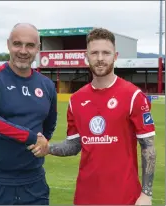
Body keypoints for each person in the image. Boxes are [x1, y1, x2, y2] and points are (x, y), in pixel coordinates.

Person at [28, 28, 156, 205]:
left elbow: (148, 147)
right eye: (94, 53)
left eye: (106, 53)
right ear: (86, 56)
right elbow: (74, 145)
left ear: (115, 56)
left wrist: (146, 194)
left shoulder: (133, 96)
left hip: (124, 197)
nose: (100, 58)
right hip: (85, 197)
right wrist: (48, 148)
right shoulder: (76, 100)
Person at [0, 23, 57, 205]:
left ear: (38, 49)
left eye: (30, 45)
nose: (23, 51)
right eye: (17, 44)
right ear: (8, 45)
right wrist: (31, 137)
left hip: (34, 183)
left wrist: (42, 143)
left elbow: (49, 126)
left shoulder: (47, 85)